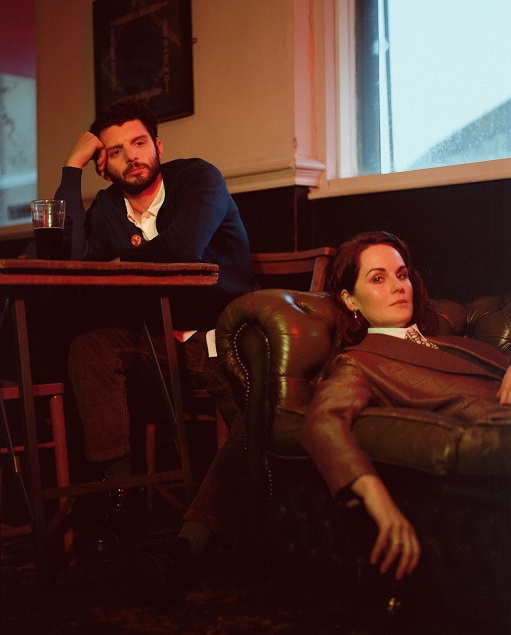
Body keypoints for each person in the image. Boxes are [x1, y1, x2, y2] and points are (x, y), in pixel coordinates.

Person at [54, 99, 259, 559]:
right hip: (157, 343)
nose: (132, 157)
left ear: (158, 147)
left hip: (223, 340)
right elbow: (71, 263)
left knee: (256, 414)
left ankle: (236, 521)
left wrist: (117, 263)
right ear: (103, 167)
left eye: (140, 143)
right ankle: (120, 502)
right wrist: (71, 169)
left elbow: (182, 250)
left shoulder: (199, 178)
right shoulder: (108, 206)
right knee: (90, 346)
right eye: (116, 151)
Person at [301, 231, 511, 582]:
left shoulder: (458, 344)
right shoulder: (360, 362)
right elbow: (322, 423)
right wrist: (381, 504)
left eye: (401, 275)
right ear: (350, 300)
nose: (398, 286)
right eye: (378, 279)